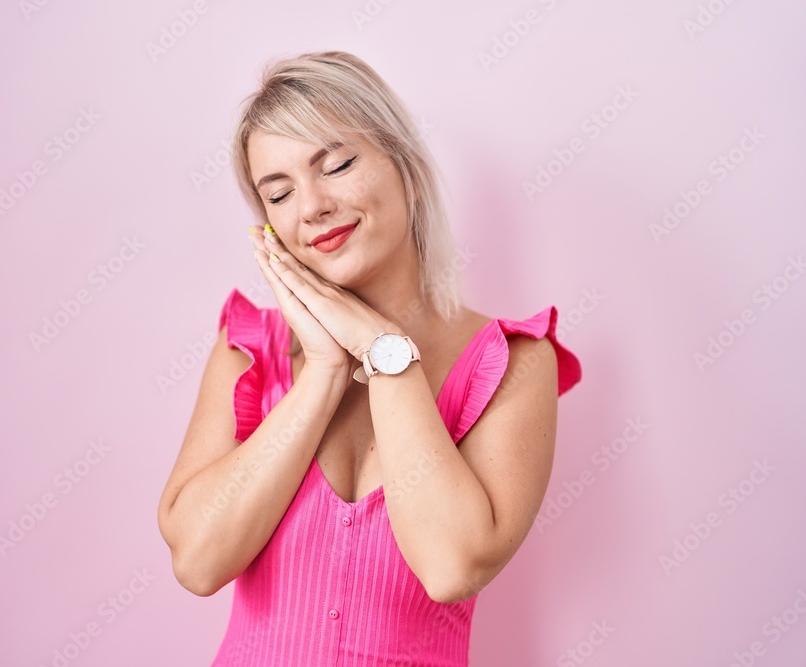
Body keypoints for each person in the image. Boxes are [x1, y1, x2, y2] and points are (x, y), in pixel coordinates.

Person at [157, 50, 583, 666]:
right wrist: (326, 370)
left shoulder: (512, 361)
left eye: (337, 165)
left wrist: (388, 355)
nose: (311, 207)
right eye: (279, 193)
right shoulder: (248, 351)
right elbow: (197, 562)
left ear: (405, 168)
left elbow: (452, 565)